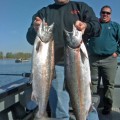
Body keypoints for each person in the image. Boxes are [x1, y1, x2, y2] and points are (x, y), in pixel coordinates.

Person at [26, 0, 101, 119]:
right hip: (53, 68)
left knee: (86, 102)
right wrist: (35, 29)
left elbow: (97, 27)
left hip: (79, 66)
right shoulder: (43, 12)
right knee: (60, 112)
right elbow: (30, 38)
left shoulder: (81, 7)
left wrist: (86, 26)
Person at [88, 5, 120, 115]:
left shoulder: (115, 26)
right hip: (93, 59)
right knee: (92, 83)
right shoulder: (94, 26)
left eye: (108, 13)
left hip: (109, 60)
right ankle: (90, 105)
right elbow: (84, 38)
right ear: (100, 13)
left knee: (109, 84)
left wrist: (117, 52)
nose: (105, 14)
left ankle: (107, 106)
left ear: (110, 15)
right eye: (103, 12)